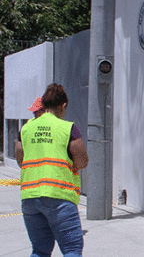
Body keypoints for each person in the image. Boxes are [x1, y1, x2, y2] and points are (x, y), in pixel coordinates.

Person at [15, 83, 88, 257]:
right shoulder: (68, 128)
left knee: (40, 250)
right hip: (59, 197)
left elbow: (20, 158)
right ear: (63, 106)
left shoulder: (26, 128)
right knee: (72, 249)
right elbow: (82, 161)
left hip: (30, 197)